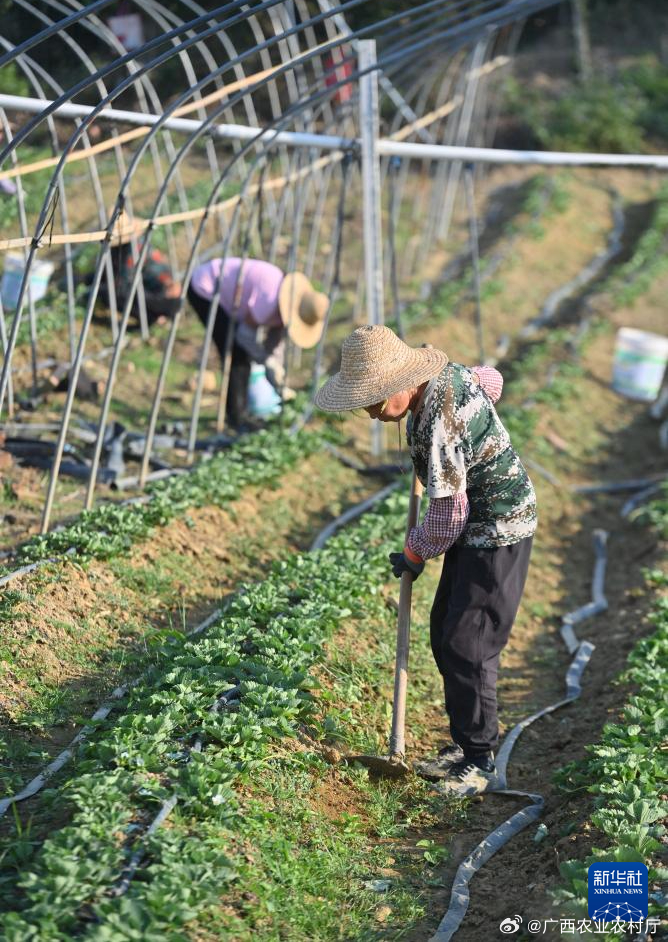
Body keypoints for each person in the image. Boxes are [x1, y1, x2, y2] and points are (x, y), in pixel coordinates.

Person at [315, 324, 537, 796]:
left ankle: (479, 761)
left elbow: (449, 512)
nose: (372, 412)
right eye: (365, 402)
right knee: (445, 630)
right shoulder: (444, 380)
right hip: (473, 525)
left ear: (404, 381)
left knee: (467, 644)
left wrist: (415, 551)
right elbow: (490, 379)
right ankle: (465, 744)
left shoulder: (439, 421)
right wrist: (473, 408)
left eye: (376, 399)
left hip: (498, 526)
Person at [187, 258, 329, 429]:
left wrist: (276, 369)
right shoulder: (269, 301)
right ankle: (237, 417)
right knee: (237, 355)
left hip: (225, 292)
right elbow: (244, 336)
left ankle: (240, 413)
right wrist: (265, 361)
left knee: (241, 355)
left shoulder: (284, 306)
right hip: (206, 287)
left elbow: (275, 341)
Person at [101, 214, 181, 325]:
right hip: (148, 286)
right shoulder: (135, 244)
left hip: (155, 292)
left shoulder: (130, 251)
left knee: (111, 294)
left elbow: (122, 284)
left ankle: (152, 317)